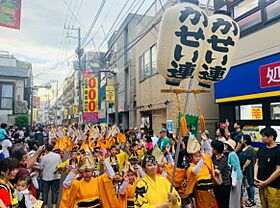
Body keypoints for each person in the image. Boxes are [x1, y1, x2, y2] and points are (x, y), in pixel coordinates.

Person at [185, 134, 218, 208]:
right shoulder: (191, 167)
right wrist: (202, 159)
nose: (198, 158)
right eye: (196, 156)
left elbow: (209, 152)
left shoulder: (205, 163)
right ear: (191, 157)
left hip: (210, 192)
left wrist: (205, 140)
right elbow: (195, 171)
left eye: (199, 156)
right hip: (200, 194)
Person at [254, 127, 280, 208]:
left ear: (271, 137)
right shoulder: (261, 149)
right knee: (263, 205)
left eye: (264, 136)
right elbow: (257, 164)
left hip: (273, 186)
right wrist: (255, 177)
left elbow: (278, 170)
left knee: (274, 205)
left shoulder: (278, 151)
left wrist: (266, 182)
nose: (262, 138)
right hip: (261, 184)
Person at [211, 140, 231, 208]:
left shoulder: (224, 159)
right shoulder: (213, 156)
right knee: (218, 202)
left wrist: (212, 168)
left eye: (213, 148)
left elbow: (217, 170)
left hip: (224, 184)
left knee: (224, 203)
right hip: (216, 183)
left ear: (217, 149)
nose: (212, 150)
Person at [224, 139, 243, 208]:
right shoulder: (233, 154)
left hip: (236, 177)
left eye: (226, 145)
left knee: (234, 195)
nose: (225, 146)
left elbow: (233, 167)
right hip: (237, 176)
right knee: (235, 195)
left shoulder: (231, 154)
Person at [238, 134, 255, 207]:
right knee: (246, 184)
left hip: (248, 169)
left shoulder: (250, 149)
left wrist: (244, 167)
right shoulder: (243, 148)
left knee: (250, 184)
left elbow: (249, 160)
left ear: (245, 140)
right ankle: (249, 198)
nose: (241, 139)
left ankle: (252, 199)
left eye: (242, 138)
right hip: (243, 169)